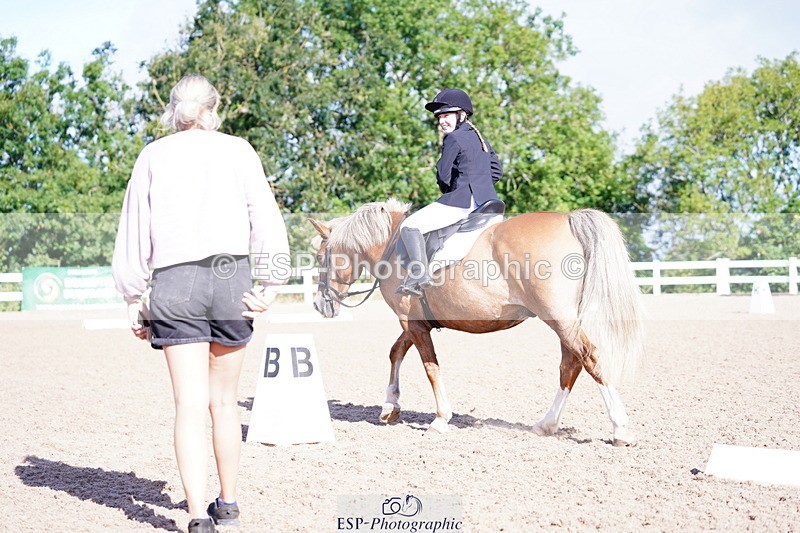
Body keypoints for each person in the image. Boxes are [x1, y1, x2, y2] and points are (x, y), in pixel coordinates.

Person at [112, 74, 290, 533]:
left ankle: (195, 517)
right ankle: (228, 504)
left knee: (189, 404)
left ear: (174, 110)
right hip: (231, 278)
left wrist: (134, 295)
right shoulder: (240, 149)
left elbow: (135, 226)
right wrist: (271, 281)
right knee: (225, 403)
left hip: (176, 281)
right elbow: (264, 217)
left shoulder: (153, 154)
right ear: (214, 108)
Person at [396, 88, 503, 296]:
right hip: (490, 202)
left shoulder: (453, 138)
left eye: (446, 115)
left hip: (462, 201)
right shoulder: (482, 140)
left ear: (461, 115)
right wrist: (479, 183)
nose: (442, 121)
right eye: (439, 117)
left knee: (409, 225)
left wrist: (449, 189)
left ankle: (419, 273)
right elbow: (497, 172)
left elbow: (443, 174)